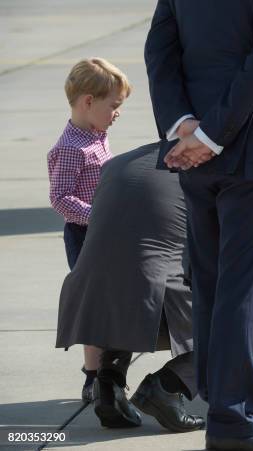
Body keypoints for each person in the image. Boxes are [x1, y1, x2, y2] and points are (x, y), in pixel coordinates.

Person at [144, 1, 253, 450]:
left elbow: (160, 48)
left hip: (195, 153)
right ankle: (233, 420)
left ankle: (221, 410)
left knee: (213, 290)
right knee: (244, 293)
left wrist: (184, 127)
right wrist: (214, 134)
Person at [55, 143, 204, 432]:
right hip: (152, 307)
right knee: (243, 319)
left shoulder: (117, 165)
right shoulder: (208, 170)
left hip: (89, 308)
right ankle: (167, 388)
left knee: (125, 281)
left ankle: (108, 384)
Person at [47, 57, 131, 402]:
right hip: (86, 235)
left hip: (104, 230)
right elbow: (61, 199)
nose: (117, 113)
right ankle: (93, 376)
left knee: (111, 301)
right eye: (113, 105)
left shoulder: (96, 135)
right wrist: (98, 216)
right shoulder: (70, 147)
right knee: (93, 304)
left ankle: (109, 370)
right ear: (87, 102)